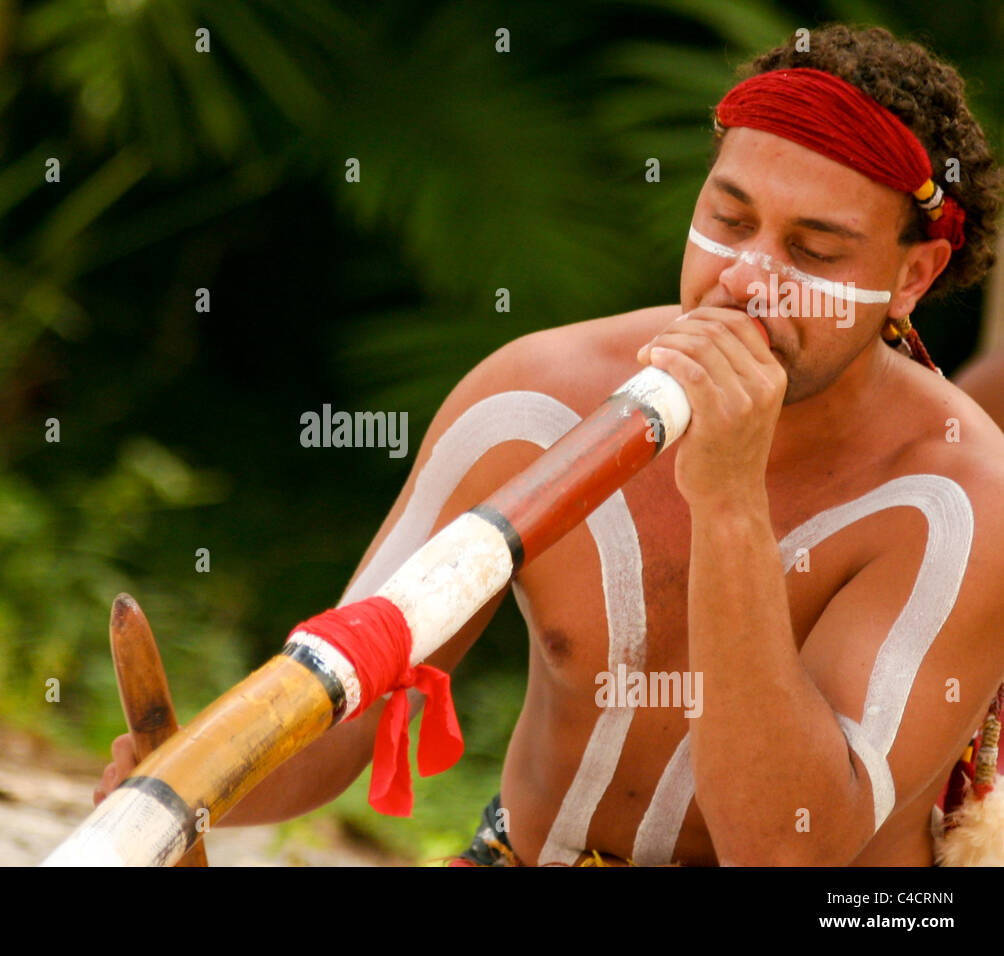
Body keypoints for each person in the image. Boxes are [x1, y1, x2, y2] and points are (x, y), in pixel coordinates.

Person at [96, 24, 1004, 866]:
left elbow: (788, 847)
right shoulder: (531, 400)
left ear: (911, 275)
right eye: (731, 220)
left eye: (813, 252)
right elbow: (357, 714)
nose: (746, 280)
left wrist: (730, 500)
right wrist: (186, 786)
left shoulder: (960, 501)